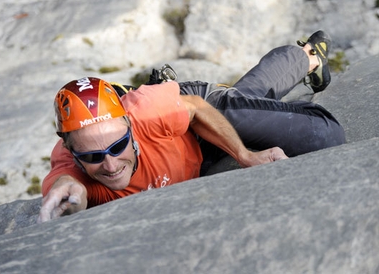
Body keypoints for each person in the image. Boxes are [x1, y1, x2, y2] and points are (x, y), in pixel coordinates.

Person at [37, 30, 346, 223]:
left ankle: (292, 72)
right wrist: (69, 194)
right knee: (251, 97)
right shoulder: (73, 163)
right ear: (70, 149)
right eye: (92, 157)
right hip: (188, 149)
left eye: (118, 146)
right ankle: (308, 57)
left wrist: (245, 156)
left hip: (196, 109)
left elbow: (198, 109)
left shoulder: (147, 112)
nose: (110, 164)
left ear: (129, 124)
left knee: (324, 136)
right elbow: (63, 183)